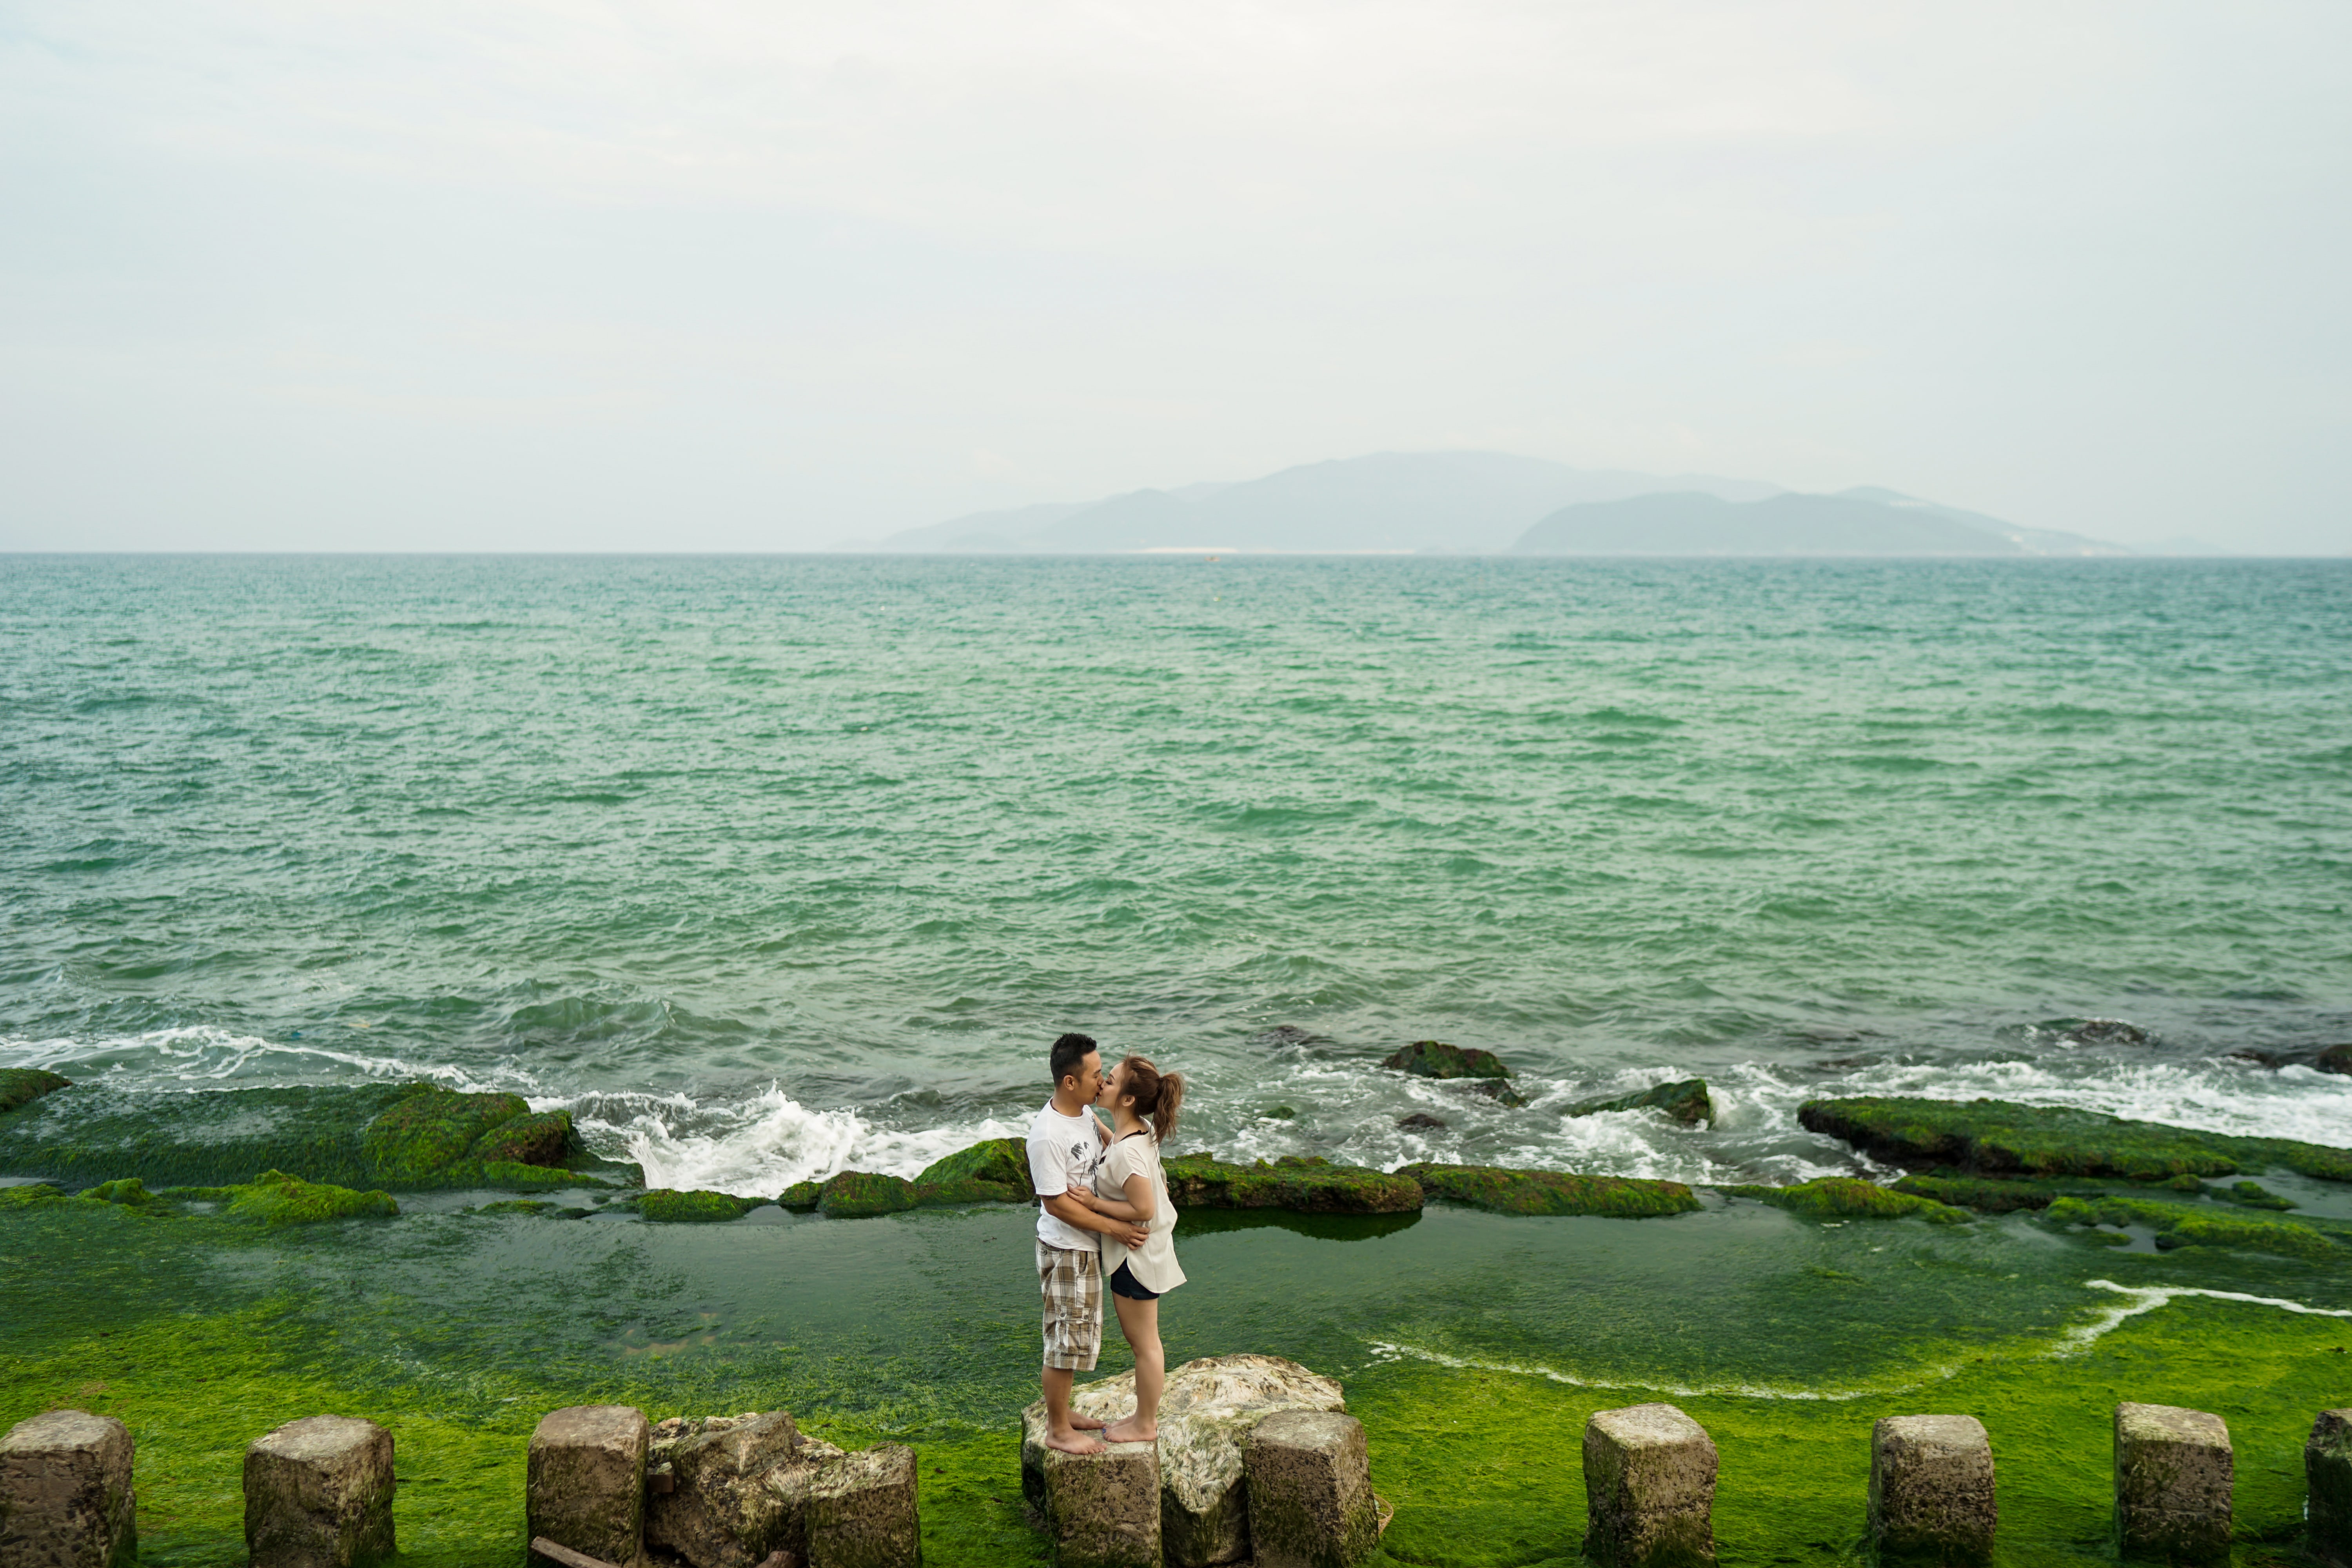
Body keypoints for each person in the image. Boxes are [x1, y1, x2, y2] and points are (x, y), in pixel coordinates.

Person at [1027, 1031, 1149, 1456]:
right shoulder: (1047, 1135)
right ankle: (1059, 1430)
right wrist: (1114, 1227)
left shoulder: (1082, 1113)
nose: (1103, 1081)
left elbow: (1111, 1145)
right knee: (1065, 1342)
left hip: (1084, 1246)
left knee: (1076, 1335)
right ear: (1070, 1082)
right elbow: (1057, 1204)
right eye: (1097, 1074)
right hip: (1067, 1249)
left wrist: (1141, 1159)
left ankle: (1062, 1412)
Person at [1066, 1053, 1187, 1443]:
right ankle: (1142, 1416)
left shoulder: (1128, 1152)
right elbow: (1119, 1146)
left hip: (1135, 1259)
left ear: (1129, 1099)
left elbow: (1144, 1208)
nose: (1103, 1082)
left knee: (1145, 1345)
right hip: (1143, 1253)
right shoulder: (1138, 1131)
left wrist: (1094, 1203)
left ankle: (1146, 1424)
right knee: (1146, 1342)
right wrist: (1095, 1123)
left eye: (1112, 1080)